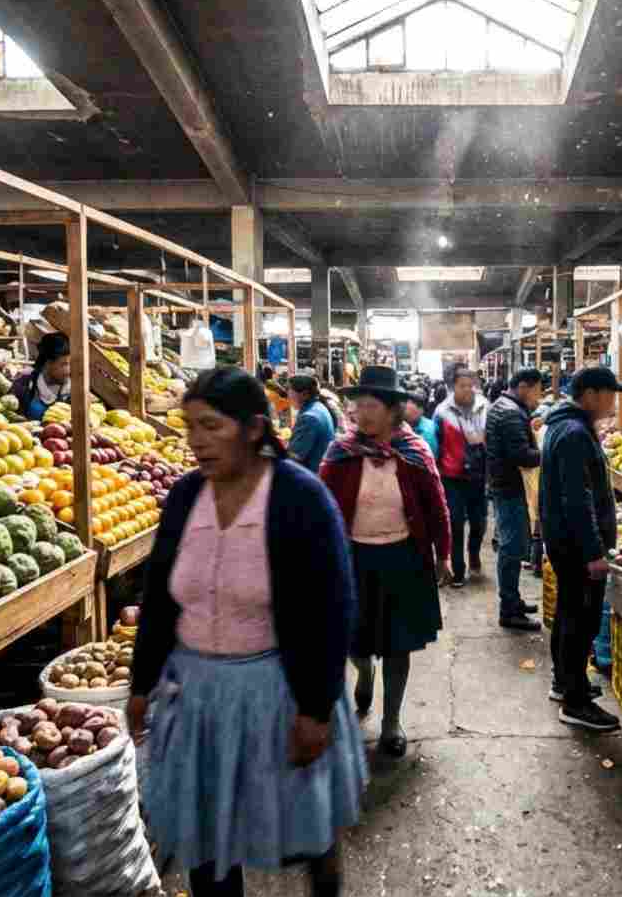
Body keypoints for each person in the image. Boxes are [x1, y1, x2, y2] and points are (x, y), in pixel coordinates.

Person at [128, 367, 365, 897]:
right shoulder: (187, 496)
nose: (196, 441)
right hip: (197, 697)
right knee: (207, 839)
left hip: (279, 692)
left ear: (254, 428)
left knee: (307, 831)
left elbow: (333, 606)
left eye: (211, 426)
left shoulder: (299, 497)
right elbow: (160, 597)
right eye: (190, 426)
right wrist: (141, 683)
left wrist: (316, 708)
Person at [319, 366, 452, 757]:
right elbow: (320, 506)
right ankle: (363, 671)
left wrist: (443, 553)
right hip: (352, 560)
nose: (362, 412)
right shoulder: (340, 453)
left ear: (393, 410)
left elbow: (436, 505)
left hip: (403, 559)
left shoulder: (413, 453)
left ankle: (392, 722)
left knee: (399, 646)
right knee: (352, 640)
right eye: (358, 405)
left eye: (371, 404)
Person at [539, 366, 622, 732]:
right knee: (581, 619)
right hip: (577, 546)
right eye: (610, 394)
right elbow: (578, 499)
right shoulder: (575, 433)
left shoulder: (565, 426)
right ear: (591, 394)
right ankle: (576, 703)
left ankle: (565, 682)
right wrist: (594, 551)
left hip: (565, 541)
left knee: (569, 613)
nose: (614, 401)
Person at [485, 368, 544, 631]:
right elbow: (521, 455)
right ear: (524, 386)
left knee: (513, 545)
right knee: (511, 548)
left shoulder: (504, 405)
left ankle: (514, 600)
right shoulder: (509, 412)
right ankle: (509, 610)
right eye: (537, 391)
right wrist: (545, 452)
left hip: (504, 484)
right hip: (509, 487)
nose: (539, 397)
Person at [433, 367, 489, 587]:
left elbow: (490, 438)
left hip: (477, 474)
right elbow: (436, 444)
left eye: (470, 385)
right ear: (452, 387)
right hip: (451, 476)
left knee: (479, 522)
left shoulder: (484, 406)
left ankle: (473, 553)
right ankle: (458, 570)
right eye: (462, 386)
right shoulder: (442, 412)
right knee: (455, 523)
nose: (467, 390)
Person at [10, 332, 70, 421]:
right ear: (48, 363)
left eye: (71, 364)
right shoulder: (24, 383)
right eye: (64, 364)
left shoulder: (71, 391)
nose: (69, 370)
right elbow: (10, 414)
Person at [287, 373, 336, 473]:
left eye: (290, 390)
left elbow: (294, 457)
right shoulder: (318, 407)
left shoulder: (309, 418)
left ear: (304, 394)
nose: (288, 394)